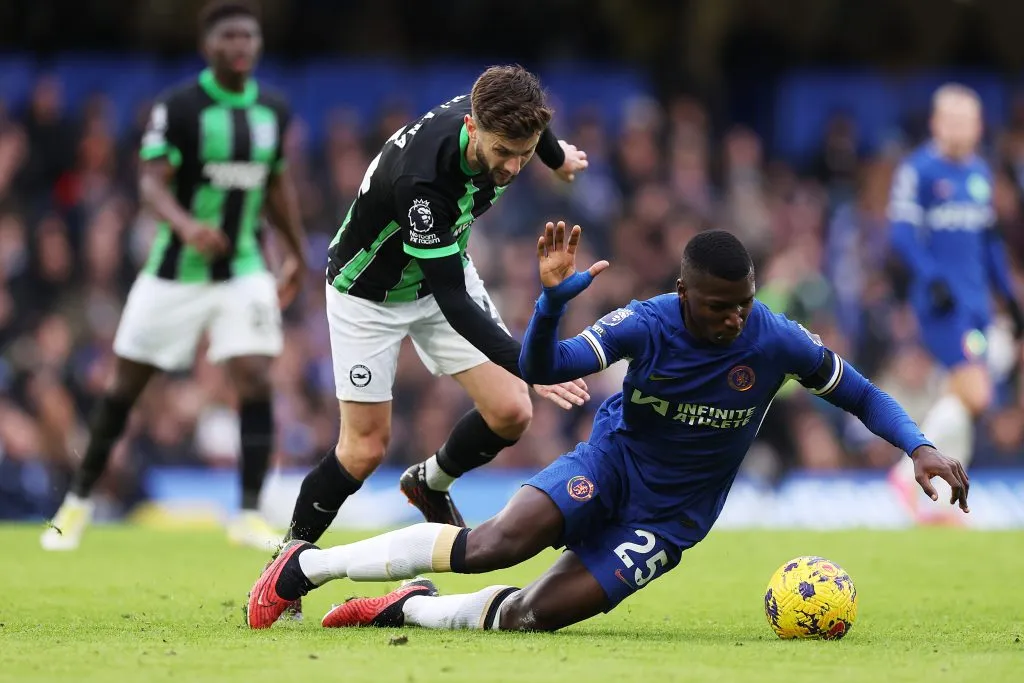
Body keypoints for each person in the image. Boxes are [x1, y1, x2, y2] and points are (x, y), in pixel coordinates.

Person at [245, 222, 969, 631]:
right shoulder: (647, 322)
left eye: (743, 303)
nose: (734, 318)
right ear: (683, 293)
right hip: (612, 465)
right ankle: (306, 566)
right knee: (496, 544)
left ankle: (407, 609)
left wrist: (920, 445)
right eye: (719, 306)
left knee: (531, 618)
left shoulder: (775, 338)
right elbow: (545, 364)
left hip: (671, 518)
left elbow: (859, 392)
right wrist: (551, 303)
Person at [281, 65, 590, 558]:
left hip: (439, 271)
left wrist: (556, 158)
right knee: (363, 450)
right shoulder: (423, 182)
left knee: (511, 412)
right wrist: (531, 365)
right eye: (504, 153)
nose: (513, 167)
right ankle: (284, 563)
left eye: (525, 153)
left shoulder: (501, 115)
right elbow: (454, 302)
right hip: (369, 294)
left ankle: (428, 483)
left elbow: (535, 124)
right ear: (472, 128)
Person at [41, 0, 307, 551]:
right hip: (174, 271)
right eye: (229, 36)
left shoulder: (272, 110)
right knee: (124, 387)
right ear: (208, 45)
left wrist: (296, 252)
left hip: (243, 267)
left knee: (256, 376)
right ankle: (77, 501)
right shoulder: (181, 106)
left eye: (248, 36)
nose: (240, 46)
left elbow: (275, 184)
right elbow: (150, 182)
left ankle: (249, 513)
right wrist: (187, 227)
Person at [887, 83, 1023, 524]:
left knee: (962, 395)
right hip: (943, 305)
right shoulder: (919, 170)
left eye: (968, 120)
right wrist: (931, 278)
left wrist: (1009, 297)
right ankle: (904, 474)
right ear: (936, 123)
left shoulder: (980, 174)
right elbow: (902, 235)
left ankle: (945, 500)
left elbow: (990, 244)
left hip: (976, 303)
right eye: (953, 119)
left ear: (978, 126)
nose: (961, 128)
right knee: (977, 392)